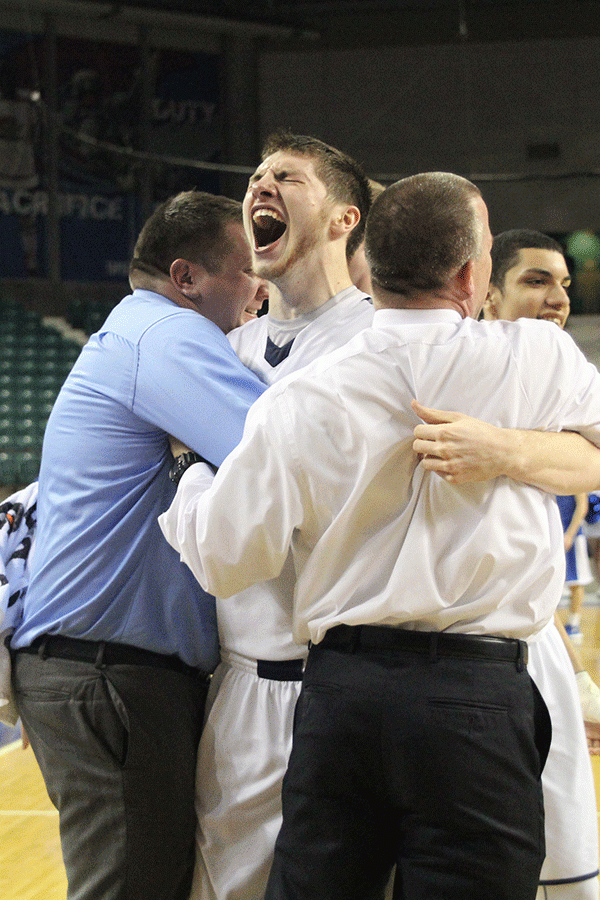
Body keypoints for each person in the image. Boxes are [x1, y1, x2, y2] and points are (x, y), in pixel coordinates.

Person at [159, 173, 600, 899]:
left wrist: (190, 477)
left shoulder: (306, 394)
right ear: (470, 273)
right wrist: (514, 449)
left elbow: (223, 558)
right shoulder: (534, 358)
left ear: (374, 264)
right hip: (478, 695)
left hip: (343, 697)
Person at [9, 190, 266, 900]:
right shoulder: (168, 337)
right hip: (111, 671)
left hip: (94, 669)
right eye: (247, 270)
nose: (262, 287)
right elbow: (277, 458)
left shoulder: (131, 335)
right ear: (186, 279)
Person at [186, 130, 374, 900]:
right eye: (256, 175)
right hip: (241, 679)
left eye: (287, 178)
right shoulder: (224, 350)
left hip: (350, 678)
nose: (260, 186)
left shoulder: (382, 340)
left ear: (342, 221)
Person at [414, 227, 600, 900]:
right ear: (483, 292)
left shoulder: (561, 381)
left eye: (564, 285)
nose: (556, 298)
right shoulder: (442, 366)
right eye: (535, 281)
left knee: (559, 863)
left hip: (519, 644)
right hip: (427, 651)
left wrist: (509, 451)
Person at [557, 493, 593, 643]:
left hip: (571, 535)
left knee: (576, 581)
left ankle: (573, 624)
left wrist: (570, 534)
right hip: (553, 533)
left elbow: (582, 507)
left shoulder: (575, 476)